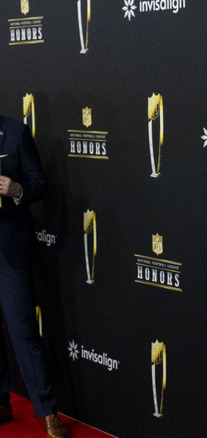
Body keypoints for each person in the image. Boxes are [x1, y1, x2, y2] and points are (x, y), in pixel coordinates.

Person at [0, 116, 69, 438]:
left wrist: (17, 189)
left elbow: (39, 182)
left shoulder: (15, 132)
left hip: (10, 248)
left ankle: (47, 411)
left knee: (24, 330)